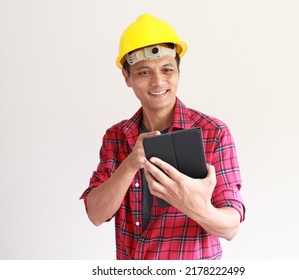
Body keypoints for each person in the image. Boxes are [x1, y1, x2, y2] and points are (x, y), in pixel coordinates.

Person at [80, 13, 245, 260]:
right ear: (127, 78)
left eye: (167, 69)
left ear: (178, 72)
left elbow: (231, 227)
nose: (158, 82)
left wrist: (197, 208)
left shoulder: (213, 133)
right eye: (144, 72)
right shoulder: (116, 138)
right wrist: (130, 164)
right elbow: (95, 214)